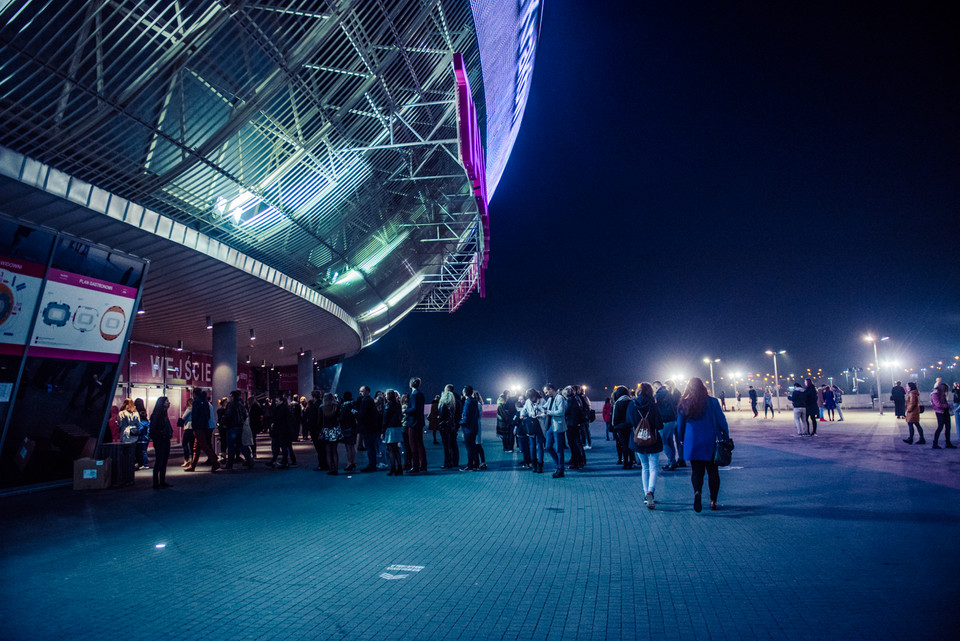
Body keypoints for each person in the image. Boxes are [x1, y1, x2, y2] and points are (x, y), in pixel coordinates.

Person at [677, 377, 730, 512]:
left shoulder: (684, 402)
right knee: (713, 471)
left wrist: (682, 439)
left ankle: (697, 492)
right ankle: (713, 500)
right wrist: (725, 436)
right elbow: (721, 420)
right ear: (703, 387)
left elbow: (680, 425)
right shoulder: (712, 402)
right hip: (711, 440)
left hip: (693, 440)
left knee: (696, 471)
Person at [628, 382, 664, 509]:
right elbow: (659, 424)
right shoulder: (653, 405)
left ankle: (645, 495)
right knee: (654, 468)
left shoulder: (632, 405)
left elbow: (629, 421)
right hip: (652, 440)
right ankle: (650, 492)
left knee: (644, 467)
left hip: (638, 440)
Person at [186, 389, 220, 472]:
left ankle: (214, 462)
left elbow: (195, 415)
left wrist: (194, 427)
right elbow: (207, 415)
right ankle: (193, 465)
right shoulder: (206, 402)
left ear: (194, 394)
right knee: (197, 446)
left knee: (203, 445)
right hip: (205, 426)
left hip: (198, 427)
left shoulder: (196, 402)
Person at [542, 383, 568, 478]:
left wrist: (548, 412)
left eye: (546, 392)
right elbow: (544, 407)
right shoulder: (550, 399)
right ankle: (559, 465)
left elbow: (561, 412)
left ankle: (560, 469)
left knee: (559, 449)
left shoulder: (559, 398)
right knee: (548, 446)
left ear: (550, 389)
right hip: (551, 426)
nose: (546, 394)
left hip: (558, 426)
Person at [149, 396, 173, 489]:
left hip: (165, 439)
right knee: (159, 460)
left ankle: (161, 481)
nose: (169, 403)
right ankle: (156, 482)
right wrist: (163, 433)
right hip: (160, 440)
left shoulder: (163, 414)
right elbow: (153, 430)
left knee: (163, 460)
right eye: (167, 401)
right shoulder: (157, 415)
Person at [655, 381, 679, 471]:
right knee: (670, 441)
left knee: (664, 442)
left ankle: (672, 461)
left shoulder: (660, 394)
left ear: (656, 387)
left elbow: (656, 406)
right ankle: (672, 462)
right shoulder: (669, 393)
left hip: (665, 420)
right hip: (673, 419)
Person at [404, 378, 427, 473]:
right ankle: (423, 465)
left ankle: (416, 466)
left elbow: (413, 408)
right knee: (420, 444)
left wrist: (405, 410)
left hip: (413, 422)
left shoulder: (414, 395)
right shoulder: (421, 394)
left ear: (410, 384)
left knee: (413, 444)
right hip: (420, 422)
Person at [224, 390, 251, 469]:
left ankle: (229, 464)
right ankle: (249, 460)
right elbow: (244, 415)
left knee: (231, 446)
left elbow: (228, 415)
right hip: (240, 427)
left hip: (232, 427)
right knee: (241, 445)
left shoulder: (231, 405)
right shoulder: (241, 405)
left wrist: (224, 423)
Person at [521, 387, 545, 473]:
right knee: (532, 446)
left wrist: (539, 413)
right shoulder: (528, 402)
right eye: (530, 398)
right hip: (531, 425)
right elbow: (523, 410)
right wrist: (522, 415)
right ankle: (533, 464)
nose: (531, 399)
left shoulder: (542, 401)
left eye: (532, 397)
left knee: (540, 446)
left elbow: (545, 412)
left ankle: (540, 464)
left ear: (535, 395)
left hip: (540, 425)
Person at [357, 386, 381, 471]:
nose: (360, 393)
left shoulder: (366, 401)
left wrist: (356, 414)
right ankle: (372, 464)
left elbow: (362, 415)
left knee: (370, 447)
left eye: (362, 391)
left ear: (367, 391)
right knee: (371, 447)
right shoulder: (370, 400)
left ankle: (371, 465)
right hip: (371, 428)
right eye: (360, 391)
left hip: (368, 428)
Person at [611, 386, 633, 468]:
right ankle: (631, 461)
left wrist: (614, 426)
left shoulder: (618, 403)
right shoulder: (631, 401)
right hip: (630, 426)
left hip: (620, 427)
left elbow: (615, 417)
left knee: (624, 445)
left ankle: (625, 462)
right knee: (630, 445)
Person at [459, 387, 481, 471]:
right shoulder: (474, 401)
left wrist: (460, 422)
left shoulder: (468, 402)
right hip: (474, 427)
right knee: (473, 446)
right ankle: (476, 464)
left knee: (469, 448)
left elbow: (467, 416)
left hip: (468, 428)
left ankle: (470, 465)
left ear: (465, 393)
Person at [438, 386, 459, 469]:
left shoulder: (443, 404)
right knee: (453, 444)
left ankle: (447, 462)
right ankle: (454, 461)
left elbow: (441, 415)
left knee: (446, 446)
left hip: (445, 426)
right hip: (452, 425)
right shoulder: (455, 402)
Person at [383, 390, 404, 476]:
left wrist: (382, 430)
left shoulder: (387, 405)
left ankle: (392, 468)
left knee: (391, 449)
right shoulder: (398, 405)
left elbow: (385, 419)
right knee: (396, 449)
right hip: (397, 427)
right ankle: (399, 467)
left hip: (390, 428)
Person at [320, 393, 341, 475]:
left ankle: (330, 469)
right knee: (335, 451)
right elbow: (339, 417)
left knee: (328, 452)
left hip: (326, 430)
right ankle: (336, 469)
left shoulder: (322, 407)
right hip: (334, 429)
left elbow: (319, 421)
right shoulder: (336, 406)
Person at [338, 391, 358, 472]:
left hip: (346, 427)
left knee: (348, 447)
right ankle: (353, 462)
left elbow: (341, 417)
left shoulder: (345, 405)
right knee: (352, 446)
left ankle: (349, 463)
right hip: (353, 427)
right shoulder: (354, 404)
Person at [931, 381, 954, 449]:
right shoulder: (935, 394)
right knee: (940, 427)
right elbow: (937, 404)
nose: (945, 391)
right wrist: (946, 405)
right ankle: (935, 443)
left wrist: (947, 406)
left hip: (945, 412)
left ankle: (948, 443)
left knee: (948, 427)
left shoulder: (942, 394)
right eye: (945, 389)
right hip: (940, 412)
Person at [134, 398, 150, 469]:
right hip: (145, 435)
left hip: (140, 436)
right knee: (144, 450)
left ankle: (142, 463)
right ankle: (145, 463)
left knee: (140, 451)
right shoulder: (144, 411)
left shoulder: (136, 412)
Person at [180, 398, 194, 467]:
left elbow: (183, 417)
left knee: (184, 443)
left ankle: (186, 459)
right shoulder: (195, 409)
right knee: (192, 444)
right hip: (193, 428)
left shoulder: (189, 409)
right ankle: (192, 460)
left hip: (188, 427)